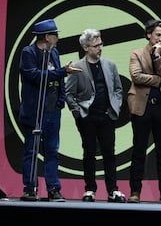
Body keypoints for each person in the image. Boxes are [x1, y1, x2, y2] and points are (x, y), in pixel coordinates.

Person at [19, 19, 81, 202]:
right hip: (34, 111)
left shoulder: (54, 52)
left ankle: (53, 189)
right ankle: (30, 188)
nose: (58, 38)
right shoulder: (28, 52)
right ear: (46, 36)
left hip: (53, 111)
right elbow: (34, 75)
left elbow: (59, 80)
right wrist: (62, 72)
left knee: (52, 150)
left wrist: (61, 101)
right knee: (31, 150)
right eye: (55, 35)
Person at [65, 28, 126, 203]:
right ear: (85, 47)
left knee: (109, 153)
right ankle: (90, 189)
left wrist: (115, 106)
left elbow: (118, 89)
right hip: (87, 117)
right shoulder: (77, 67)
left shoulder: (110, 65)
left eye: (101, 44)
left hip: (107, 116)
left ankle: (112, 190)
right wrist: (78, 112)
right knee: (89, 153)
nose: (100, 48)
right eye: (95, 45)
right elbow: (69, 93)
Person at [127, 19, 161, 204]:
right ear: (149, 34)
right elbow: (136, 76)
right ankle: (135, 191)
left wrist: (157, 56)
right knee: (139, 150)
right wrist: (156, 80)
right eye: (158, 35)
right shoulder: (137, 53)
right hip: (142, 106)